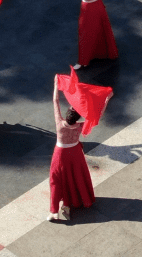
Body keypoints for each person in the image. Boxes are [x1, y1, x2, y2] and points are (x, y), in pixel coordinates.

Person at [48, 74, 96, 221]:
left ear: (66, 115)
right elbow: (94, 117)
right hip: (75, 152)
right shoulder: (80, 126)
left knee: (55, 179)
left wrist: (56, 85)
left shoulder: (59, 123)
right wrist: (105, 100)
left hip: (60, 152)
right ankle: (81, 199)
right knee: (77, 175)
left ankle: (53, 211)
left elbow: (55, 101)